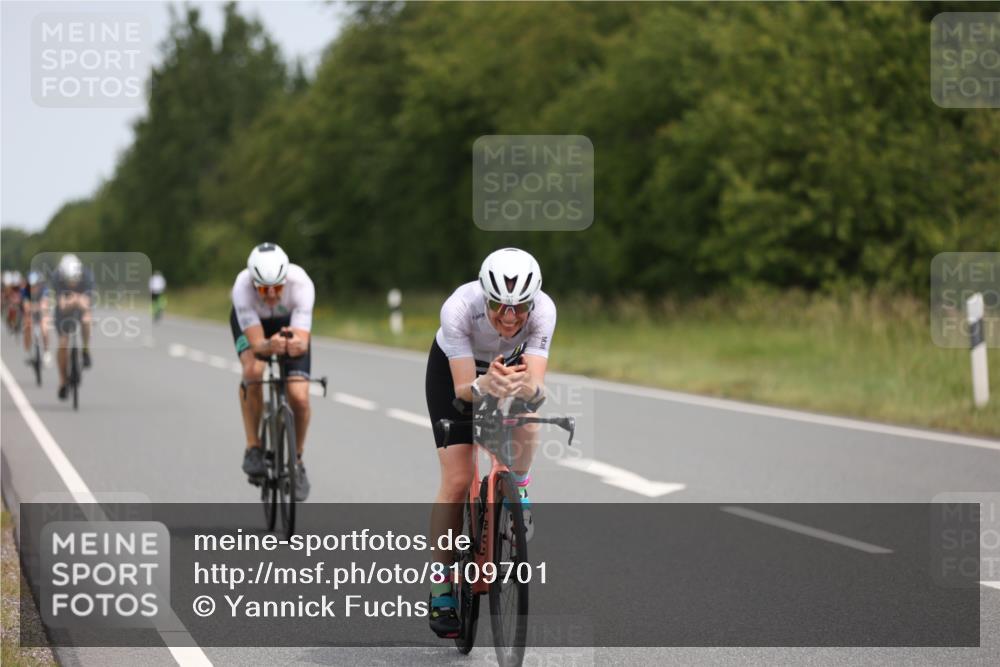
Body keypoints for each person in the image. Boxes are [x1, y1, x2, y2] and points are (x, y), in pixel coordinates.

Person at [424, 247, 555, 638]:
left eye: (520, 307)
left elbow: (537, 387)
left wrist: (527, 387)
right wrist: (484, 384)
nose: (510, 317)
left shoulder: (545, 311)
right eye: (500, 305)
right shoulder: (459, 310)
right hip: (456, 374)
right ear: (486, 296)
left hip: (508, 366)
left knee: (530, 412)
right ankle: (442, 584)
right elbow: (464, 389)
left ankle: (521, 489)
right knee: (459, 478)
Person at [231, 243, 315, 501]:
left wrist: (290, 343)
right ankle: (253, 447)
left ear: (285, 280)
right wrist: (267, 345)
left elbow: (301, 341)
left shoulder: (301, 284)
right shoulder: (242, 288)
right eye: (263, 289)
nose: (269, 295)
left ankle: (297, 461)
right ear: (253, 283)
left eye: (276, 288)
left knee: (298, 396)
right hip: (253, 326)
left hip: (287, 323)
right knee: (253, 372)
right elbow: (256, 344)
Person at [53, 254, 94, 399]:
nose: (72, 284)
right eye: (69, 281)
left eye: (75, 280)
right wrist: (76, 300)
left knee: (86, 319)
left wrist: (73, 300)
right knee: (63, 344)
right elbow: (62, 305)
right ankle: (63, 381)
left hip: (80, 307)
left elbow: (86, 303)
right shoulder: (57, 276)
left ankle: (85, 348)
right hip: (63, 312)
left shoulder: (87, 275)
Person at [21, 271, 52, 365]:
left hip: (41, 313)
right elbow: (26, 306)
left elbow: (45, 304)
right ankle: (28, 350)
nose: (33, 288)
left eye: (35, 285)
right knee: (27, 326)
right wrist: (31, 307)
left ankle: (46, 351)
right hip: (30, 313)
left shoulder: (44, 290)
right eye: (31, 286)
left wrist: (39, 307)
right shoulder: (25, 291)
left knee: (44, 328)